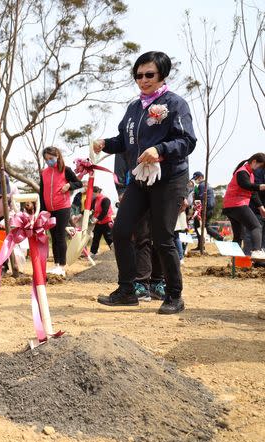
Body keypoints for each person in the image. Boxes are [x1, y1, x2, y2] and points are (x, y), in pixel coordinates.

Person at [93, 51, 197, 315]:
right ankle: (128, 290)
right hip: (140, 178)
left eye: (149, 74)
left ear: (162, 75)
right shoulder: (133, 108)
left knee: (162, 238)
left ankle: (174, 295)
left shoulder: (175, 104)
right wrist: (106, 144)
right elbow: (124, 141)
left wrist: (160, 149)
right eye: (138, 75)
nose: (143, 80)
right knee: (121, 230)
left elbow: (187, 141)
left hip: (169, 178)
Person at [39, 146, 83, 276]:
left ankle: (62, 266)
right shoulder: (44, 173)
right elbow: (42, 192)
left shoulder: (66, 170)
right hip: (49, 209)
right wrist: (42, 211)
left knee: (60, 235)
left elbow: (79, 183)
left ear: (57, 156)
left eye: (51, 158)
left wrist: (69, 185)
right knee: (53, 236)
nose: (49, 161)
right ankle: (56, 264)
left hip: (62, 207)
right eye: (46, 159)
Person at [222, 153, 265, 258]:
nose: (260, 169)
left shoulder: (249, 173)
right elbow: (245, 185)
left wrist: (260, 207)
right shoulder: (242, 172)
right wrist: (261, 186)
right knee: (256, 226)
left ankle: (234, 261)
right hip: (237, 205)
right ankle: (257, 251)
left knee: (238, 235)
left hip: (230, 206)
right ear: (254, 162)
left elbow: (252, 191)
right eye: (260, 166)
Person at [189, 171, 223, 248]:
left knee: (198, 226)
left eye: (196, 178)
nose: (195, 180)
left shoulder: (202, 185)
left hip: (204, 209)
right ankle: (204, 243)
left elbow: (200, 198)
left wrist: (195, 206)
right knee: (204, 226)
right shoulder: (204, 185)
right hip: (209, 208)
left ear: (201, 177)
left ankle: (203, 244)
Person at [89, 186, 113, 256]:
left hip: (107, 222)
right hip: (99, 222)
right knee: (96, 237)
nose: (92, 195)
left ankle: (115, 251)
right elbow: (90, 209)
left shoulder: (105, 199)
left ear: (98, 192)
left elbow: (104, 212)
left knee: (109, 238)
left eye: (93, 194)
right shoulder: (95, 200)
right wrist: (80, 215)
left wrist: (97, 219)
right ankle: (93, 252)